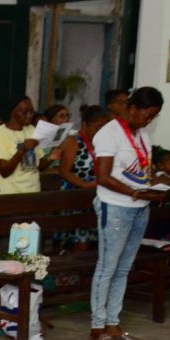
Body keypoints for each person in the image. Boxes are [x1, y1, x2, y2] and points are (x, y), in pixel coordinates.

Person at [89, 87, 167, 340]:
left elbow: (142, 169)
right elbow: (103, 177)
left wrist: (156, 185)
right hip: (116, 207)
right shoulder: (109, 134)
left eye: (153, 117)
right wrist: (134, 191)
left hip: (140, 206)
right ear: (133, 109)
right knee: (107, 267)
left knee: (123, 268)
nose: (148, 121)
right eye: (147, 114)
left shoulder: (142, 134)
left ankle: (114, 322)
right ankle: (98, 327)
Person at [56, 105, 109, 251]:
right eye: (97, 127)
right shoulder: (73, 141)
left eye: (104, 128)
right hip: (76, 198)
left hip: (97, 198)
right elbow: (64, 171)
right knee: (81, 244)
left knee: (97, 244)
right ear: (85, 124)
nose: (100, 131)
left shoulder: (102, 142)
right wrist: (85, 186)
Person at [0, 96, 60, 194]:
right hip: (10, 194)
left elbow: (37, 166)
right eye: (25, 112)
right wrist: (22, 150)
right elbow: (4, 172)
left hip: (33, 191)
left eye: (32, 112)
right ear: (13, 112)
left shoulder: (31, 129)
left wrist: (51, 158)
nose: (29, 115)